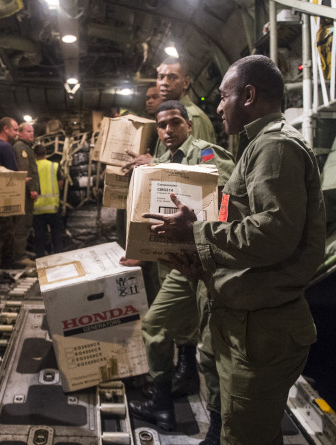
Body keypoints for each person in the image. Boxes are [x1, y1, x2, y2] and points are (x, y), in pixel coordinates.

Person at [144, 55, 326, 445]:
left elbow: (274, 233)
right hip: (245, 322)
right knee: (241, 429)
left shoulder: (275, 147)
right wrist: (203, 266)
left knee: (245, 437)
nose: (219, 105)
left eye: (224, 97)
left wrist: (197, 233)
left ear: (248, 95)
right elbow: (241, 226)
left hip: (261, 331)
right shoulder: (258, 146)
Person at [127, 100, 234, 434]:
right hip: (179, 265)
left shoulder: (205, 154)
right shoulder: (164, 161)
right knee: (155, 325)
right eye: (162, 126)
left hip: (208, 264)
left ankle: (217, 430)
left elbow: (232, 197)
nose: (168, 130)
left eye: (174, 123)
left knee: (212, 350)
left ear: (189, 125)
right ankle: (162, 407)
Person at [12, 122, 40, 267]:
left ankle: (21, 252)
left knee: (26, 223)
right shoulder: (21, 148)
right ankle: (19, 256)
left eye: (32, 131)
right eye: (28, 131)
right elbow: (25, 172)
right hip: (24, 192)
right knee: (22, 223)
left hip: (26, 192)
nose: (31, 134)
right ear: (20, 133)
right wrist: (32, 189)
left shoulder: (26, 148)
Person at [0, 117, 20, 268]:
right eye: (15, 129)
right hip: (5, 198)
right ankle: (5, 265)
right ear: (6, 129)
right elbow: (13, 175)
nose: (17, 133)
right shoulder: (6, 147)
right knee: (6, 233)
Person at [32, 144, 64, 257]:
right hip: (53, 206)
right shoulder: (54, 166)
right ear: (46, 153)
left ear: (34, 155)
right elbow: (60, 184)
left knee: (39, 235)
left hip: (37, 207)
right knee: (56, 233)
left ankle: (40, 256)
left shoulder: (32, 166)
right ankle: (58, 254)